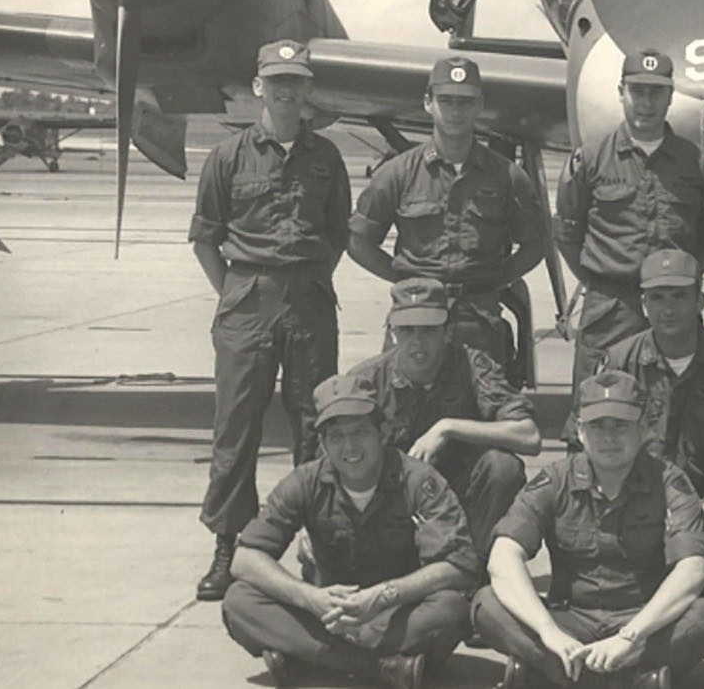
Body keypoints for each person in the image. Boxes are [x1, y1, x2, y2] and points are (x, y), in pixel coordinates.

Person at [190, 38, 351, 602]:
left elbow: (336, 235)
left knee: (315, 425)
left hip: (308, 299)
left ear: (308, 91)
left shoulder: (326, 159)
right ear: (259, 87)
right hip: (246, 299)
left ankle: (317, 542)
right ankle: (229, 546)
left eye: (296, 81)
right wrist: (238, 292)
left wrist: (300, 279)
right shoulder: (229, 156)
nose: (286, 90)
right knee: (236, 428)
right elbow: (206, 238)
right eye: (276, 81)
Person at [221, 374, 476, 689]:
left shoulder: (418, 480)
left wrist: (383, 597)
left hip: (396, 615)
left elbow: (460, 566)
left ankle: (309, 657)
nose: (350, 447)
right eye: (337, 436)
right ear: (324, 443)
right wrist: (310, 598)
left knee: (452, 609)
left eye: (360, 432)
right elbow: (245, 558)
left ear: (382, 433)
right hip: (329, 614)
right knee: (239, 600)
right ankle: (381, 668)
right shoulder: (306, 481)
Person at [473, 372, 704, 689]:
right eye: (597, 426)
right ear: (579, 430)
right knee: (487, 604)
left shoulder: (669, 481)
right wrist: (548, 630)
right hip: (571, 621)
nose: (609, 437)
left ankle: (562, 676)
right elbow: (503, 557)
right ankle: (631, 681)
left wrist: (630, 636)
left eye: (620, 425)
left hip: (642, 621)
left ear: (643, 428)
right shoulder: (554, 480)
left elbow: (692, 570)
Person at [349, 55, 547, 366]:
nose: (455, 111)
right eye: (446, 100)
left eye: (465, 102)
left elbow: (535, 244)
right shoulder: (398, 173)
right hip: (414, 320)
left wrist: (494, 280)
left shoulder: (507, 177)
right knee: (408, 407)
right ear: (428, 102)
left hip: (479, 321)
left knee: (483, 407)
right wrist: (406, 281)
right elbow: (358, 242)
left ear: (480, 105)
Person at [561, 249, 704, 548]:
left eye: (679, 297)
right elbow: (582, 443)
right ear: (643, 305)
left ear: (700, 301)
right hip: (632, 499)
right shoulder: (619, 361)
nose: (668, 309)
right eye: (657, 298)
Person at [556, 49, 704, 388]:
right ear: (621, 93)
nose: (645, 103)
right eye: (637, 91)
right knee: (599, 406)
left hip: (673, 309)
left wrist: (677, 281)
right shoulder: (591, 161)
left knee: (678, 410)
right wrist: (603, 280)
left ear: (670, 97)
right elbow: (567, 233)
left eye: (656, 92)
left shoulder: (698, 164)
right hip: (611, 307)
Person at [347, 277, 540, 559]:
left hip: (461, 496)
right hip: (392, 500)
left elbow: (529, 436)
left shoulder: (472, 366)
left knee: (503, 467)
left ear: (447, 330)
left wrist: (447, 428)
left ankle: (474, 568)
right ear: (391, 332)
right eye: (407, 331)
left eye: (428, 330)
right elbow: (332, 460)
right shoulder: (365, 381)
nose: (417, 342)